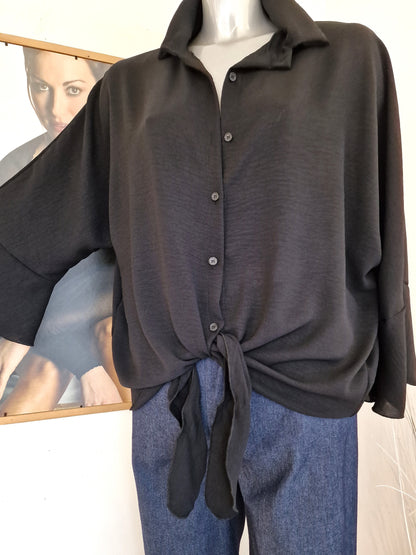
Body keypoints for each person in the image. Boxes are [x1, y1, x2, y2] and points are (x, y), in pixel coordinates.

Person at [0, 0, 414, 553]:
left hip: (305, 397)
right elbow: (37, 216)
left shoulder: (350, 58)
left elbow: (378, 213)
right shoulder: (128, 89)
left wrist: (390, 352)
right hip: (173, 401)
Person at [0, 48, 130, 414]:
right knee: (45, 370)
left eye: (73, 89)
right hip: (47, 328)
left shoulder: (127, 165)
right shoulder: (13, 170)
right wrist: (85, 365)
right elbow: (15, 291)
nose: (54, 109)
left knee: (111, 334)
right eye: (41, 86)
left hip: (95, 319)